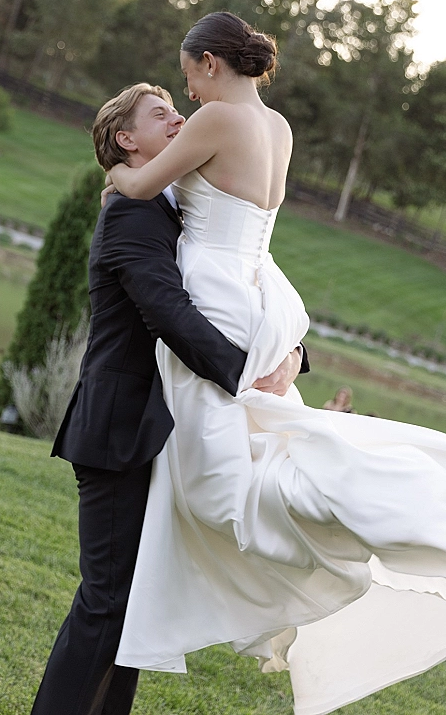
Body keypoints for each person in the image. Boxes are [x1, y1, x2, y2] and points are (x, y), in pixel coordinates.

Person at [108, 12, 446, 715]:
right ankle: (372, 502)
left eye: (188, 80)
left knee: (221, 486)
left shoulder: (216, 119)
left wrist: (113, 166)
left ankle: (377, 507)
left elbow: (141, 189)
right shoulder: (280, 127)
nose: (188, 98)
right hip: (260, 289)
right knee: (267, 443)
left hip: (215, 291)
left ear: (209, 63)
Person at [30, 82, 308, 715]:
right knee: (106, 601)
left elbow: (240, 282)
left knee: (135, 605)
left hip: (163, 432)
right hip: (118, 427)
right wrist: (244, 375)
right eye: (162, 114)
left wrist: (291, 357)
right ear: (127, 140)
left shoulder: (178, 204)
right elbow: (167, 311)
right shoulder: (130, 213)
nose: (179, 118)